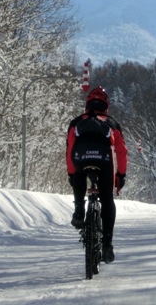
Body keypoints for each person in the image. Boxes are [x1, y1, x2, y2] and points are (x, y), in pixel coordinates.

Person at [65, 86, 128, 263]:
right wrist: (120, 175)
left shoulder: (76, 122)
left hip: (81, 158)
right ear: (106, 106)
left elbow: (69, 149)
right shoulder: (112, 123)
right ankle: (107, 244)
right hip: (104, 160)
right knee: (107, 200)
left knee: (78, 174)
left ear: (87, 105)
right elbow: (122, 153)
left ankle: (79, 211)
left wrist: (72, 174)